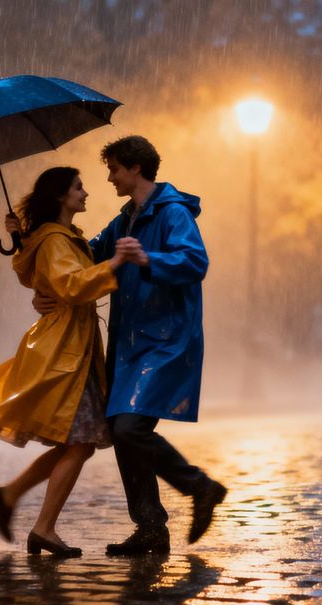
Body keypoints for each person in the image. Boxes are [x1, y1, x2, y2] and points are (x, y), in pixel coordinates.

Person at [30, 136, 227, 556]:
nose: (109, 177)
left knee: (128, 427)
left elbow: (196, 262)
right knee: (123, 431)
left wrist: (149, 261)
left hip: (165, 340)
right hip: (128, 344)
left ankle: (199, 487)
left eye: (114, 169)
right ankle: (151, 528)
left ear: (135, 168)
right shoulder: (126, 218)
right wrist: (33, 247)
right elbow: (84, 259)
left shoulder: (172, 212)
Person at [0, 166, 134, 558]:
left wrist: (21, 239)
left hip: (73, 346)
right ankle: (44, 528)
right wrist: (116, 264)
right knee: (82, 442)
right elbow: (70, 284)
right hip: (66, 351)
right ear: (60, 196)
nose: (85, 192)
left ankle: (12, 496)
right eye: (78, 186)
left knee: (78, 442)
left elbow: (37, 275)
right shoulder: (55, 240)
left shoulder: (57, 237)